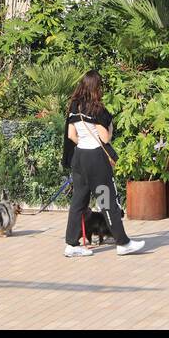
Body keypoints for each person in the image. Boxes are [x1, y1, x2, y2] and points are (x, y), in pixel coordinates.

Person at [62, 71, 145, 258]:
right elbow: (105, 138)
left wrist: (84, 144)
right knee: (108, 201)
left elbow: (71, 136)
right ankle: (123, 243)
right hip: (96, 160)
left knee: (78, 202)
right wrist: (110, 127)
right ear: (97, 87)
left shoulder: (74, 106)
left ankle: (71, 244)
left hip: (79, 158)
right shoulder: (97, 109)